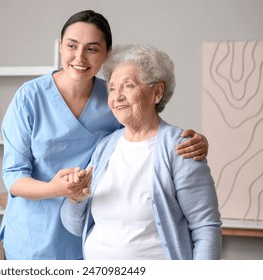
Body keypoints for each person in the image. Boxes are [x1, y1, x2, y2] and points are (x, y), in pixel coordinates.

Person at [0, 10, 209, 260]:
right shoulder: (29, 98)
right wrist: (54, 189)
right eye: (71, 46)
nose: (79, 57)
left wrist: (191, 142)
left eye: (92, 49)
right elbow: (13, 177)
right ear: (60, 46)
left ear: (107, 53)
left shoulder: (112, 97)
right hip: (34, 235)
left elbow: (144, 135)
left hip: (89, 233)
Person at [60, 44, 222, 260]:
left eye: (128, 86)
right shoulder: (105, 147)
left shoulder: (182, 147)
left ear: (157, 92)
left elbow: (206, 228)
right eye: (113, 88)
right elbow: (75, 227)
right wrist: (75, 199)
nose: (117, 97)